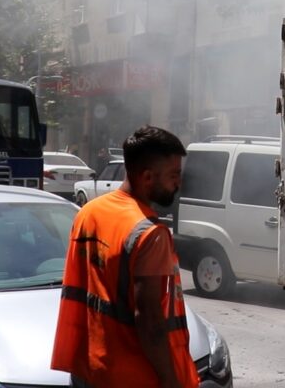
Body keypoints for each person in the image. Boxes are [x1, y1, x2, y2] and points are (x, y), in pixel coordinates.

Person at [51, 126, 199, 388]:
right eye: (173, 175)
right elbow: (150, 321)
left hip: (88, 367)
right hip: (131, 375)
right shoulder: (150, 233)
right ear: (147, 177)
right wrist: (171, 381)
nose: (179, 182)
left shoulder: (89, 212)